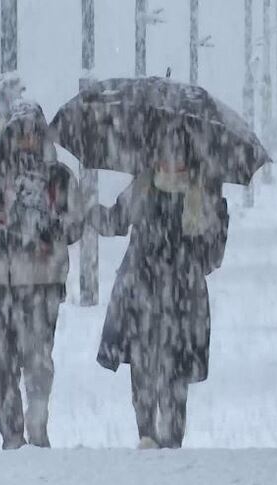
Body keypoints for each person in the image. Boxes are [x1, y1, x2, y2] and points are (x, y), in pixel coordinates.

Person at [90, 126, 229, 449]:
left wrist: (219, 219)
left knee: (175, 374)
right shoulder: (143, 185)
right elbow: (115, 221)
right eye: (165, 152)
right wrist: (89, 211)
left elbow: (211, 259)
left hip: (182, 299)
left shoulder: (202, 194)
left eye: (177, 153)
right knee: (142, 366)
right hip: (141, 293)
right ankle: (146, 435)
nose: (170, 160)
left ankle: (172, 439)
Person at [0, 101, 83, 450]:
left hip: (42, 282)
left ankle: (37, 427)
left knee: (37, 360)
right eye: (21, 132)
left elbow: (74, 223)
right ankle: (12, 436)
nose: (28, 139)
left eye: (34, 131)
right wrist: (8, 236)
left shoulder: (59, 177)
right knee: (0, 363)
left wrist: (48, 231)